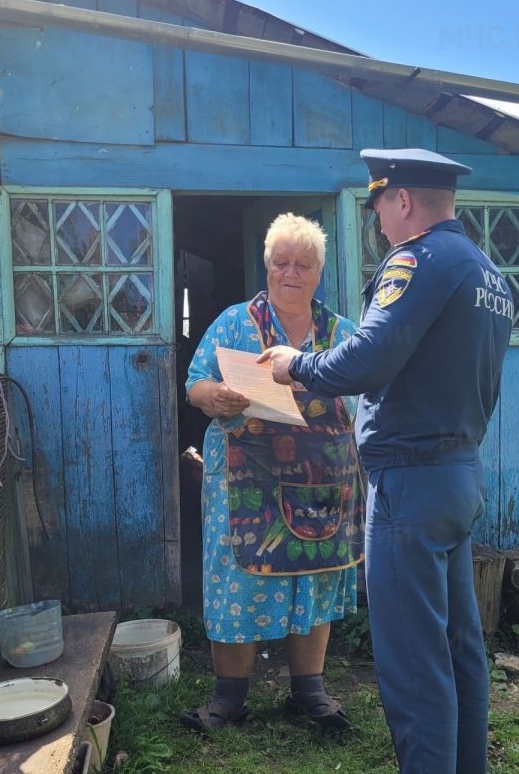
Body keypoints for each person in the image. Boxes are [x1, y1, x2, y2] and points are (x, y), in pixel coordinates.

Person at [259, 148, 512, 773]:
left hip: (410, 484)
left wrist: (298, 366)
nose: (379, 225)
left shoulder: (419, 259)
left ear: (402, 201)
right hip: (457, 475)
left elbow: (370, 356)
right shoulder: (489, 273)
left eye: (379, 209)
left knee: (412, 664)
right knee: (459, 652)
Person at [181, 213, 363, 734]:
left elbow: (365, 397)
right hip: (245, 482)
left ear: (319, 272)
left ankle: (310, 693)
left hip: (321, 483)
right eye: (281, 262)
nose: (291, 272)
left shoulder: (342, 334)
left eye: (303, 264)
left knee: (313, 577)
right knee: (236, 581)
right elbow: (195, 383)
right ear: (266, 266)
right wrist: (214, 396)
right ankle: (228, 701)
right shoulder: (234, 322)